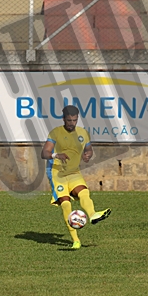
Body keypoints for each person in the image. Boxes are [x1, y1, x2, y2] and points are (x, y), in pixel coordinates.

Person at [41, 105, 111, 249]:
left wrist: (88, 155)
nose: (72, 123)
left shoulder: (83, 133)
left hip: (74, 172)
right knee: (66, 204)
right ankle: (75, 240)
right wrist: (56, 155)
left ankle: (92, 215)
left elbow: (89, 149)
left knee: (84, 192)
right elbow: (44, 153)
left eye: (74, 120)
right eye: (69, 120)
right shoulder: (55, 133)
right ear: (63, 119)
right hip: (57, 173)